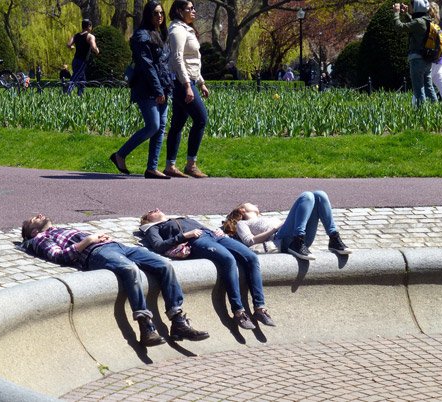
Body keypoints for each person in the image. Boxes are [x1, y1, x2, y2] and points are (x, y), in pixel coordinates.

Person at [21, 214, 209, 347]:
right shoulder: (40, 238)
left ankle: (178, 321)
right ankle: (146, 326)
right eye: (33, 219)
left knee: (165, 266)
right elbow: (60, 256)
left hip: (118, 246)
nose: (38, 215)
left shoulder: (60, 229)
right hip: (97, 253)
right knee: (130, 270)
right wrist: (90, 240)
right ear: (33, 231)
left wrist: (101, 237)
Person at [140, 209, 275, 330]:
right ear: (147, 220)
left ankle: (260, 308)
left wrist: (219, 231)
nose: (157, 209)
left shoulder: (181, 218)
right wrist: (185, 236)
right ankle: (238, 311)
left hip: (215, 236)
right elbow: (158, 245)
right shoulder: (153, 228)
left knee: (251, 258)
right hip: (197, 241)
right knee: (228, 259)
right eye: (152, 211)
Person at [109, 1, 173, 180]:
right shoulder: (141, 36)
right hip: (147, 87)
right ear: (147, 15)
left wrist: (166, 86)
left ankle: (152, 168)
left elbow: (163, 63)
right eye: (155, 13)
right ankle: (120, 155)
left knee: (160, 128)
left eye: (161, 13)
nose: (159, 16)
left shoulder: (160, 33)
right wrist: (158, 90)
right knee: (153, 125)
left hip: (163, 84)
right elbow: (147, 66)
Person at [223, 191, 352, 261]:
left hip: (298, 239)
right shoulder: (242, 223)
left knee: (319, 195)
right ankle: (298, 239)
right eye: (251, 203)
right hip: (282, 240)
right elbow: (249, 241)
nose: (256, 205)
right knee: (306, 196)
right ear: (242, 209)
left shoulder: (264, 218)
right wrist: (273, 229)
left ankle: (333, 237)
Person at [163, 0, 209, 178]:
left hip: (188, 80)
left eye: (193, 8)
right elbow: (177, 59)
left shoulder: (186, 29)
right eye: (190, 8)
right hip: (182, 83)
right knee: (201, 119)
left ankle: (170, 166)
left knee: (178, 123)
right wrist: (188, 85)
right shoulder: (177, 31)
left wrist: (201, 82)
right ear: (179, 11)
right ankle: (191, 164)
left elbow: (193, 61)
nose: (194, 11)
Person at [393, 0, 437, 107]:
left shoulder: (419, 22)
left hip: (417, 59)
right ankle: (436, 110)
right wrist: (406, 13)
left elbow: (400, 27)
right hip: (427, 60)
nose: (409, 7)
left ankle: (422, 113)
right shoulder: (428, 20)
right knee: (428, 87)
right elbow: (415, 25)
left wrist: (396, 13)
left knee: (418, 88)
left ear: (417, 8)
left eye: (411, 6)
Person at [66, 19, 100, 96]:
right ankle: (66, 93)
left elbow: (68, 44)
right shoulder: (90, 36)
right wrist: (97, 51)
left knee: (82, 79)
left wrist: (71, 47)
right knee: (75, 77)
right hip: (83, 61)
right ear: (89, 26)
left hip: (75, 60)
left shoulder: (76, 36)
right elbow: (94, 47)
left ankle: (80, 95)